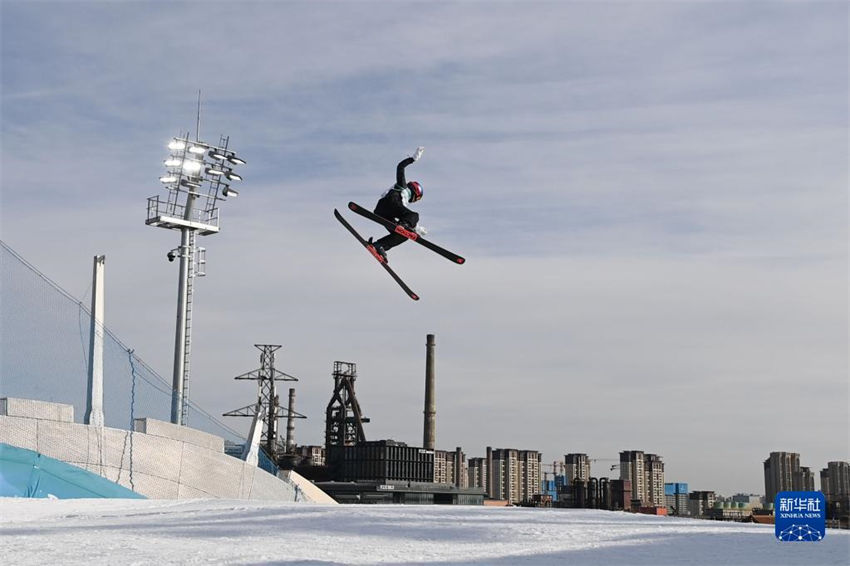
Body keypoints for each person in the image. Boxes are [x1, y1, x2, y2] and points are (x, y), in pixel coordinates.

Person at [369, 146, 427, 262]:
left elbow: (404, 215)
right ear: (415, 193)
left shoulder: (404, 204)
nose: (414, 201)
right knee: (414, 215)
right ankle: (403, 225)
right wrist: (412, 159)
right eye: (416, 199)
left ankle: (379, 246)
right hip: (391, 202)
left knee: (403, 235)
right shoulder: (402, 187)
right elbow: (400, 167)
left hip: (381, 212)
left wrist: (416, 229)